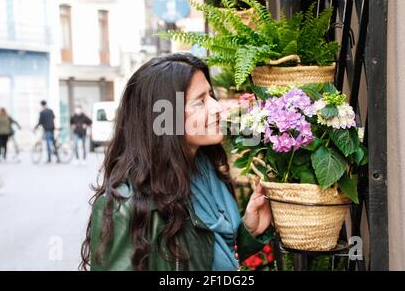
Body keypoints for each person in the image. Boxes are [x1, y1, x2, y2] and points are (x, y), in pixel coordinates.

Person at [80, 53, 273, 271]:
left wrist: (249, 231)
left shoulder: (205, 173)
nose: (217, 108)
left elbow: (208, 256)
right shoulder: (124, 206)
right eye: (200, 102)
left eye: (211, 95)